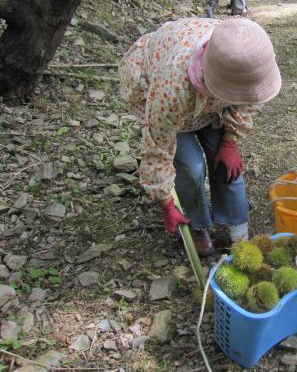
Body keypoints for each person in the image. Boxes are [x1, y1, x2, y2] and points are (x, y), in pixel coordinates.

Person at [118, 17, 282, 256]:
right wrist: (165, 203)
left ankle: (237, 226)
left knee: (225, 160)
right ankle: (195, 224)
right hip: (169, 91)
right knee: (190, 166)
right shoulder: (172, 88)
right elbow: (158, 146)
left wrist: (230, 142)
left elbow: (249, 101)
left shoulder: (247, 55)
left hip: (212, 98)